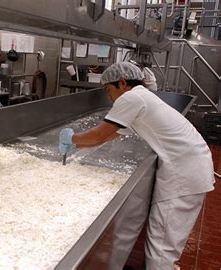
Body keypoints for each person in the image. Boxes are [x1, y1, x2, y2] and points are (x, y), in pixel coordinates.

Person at [58, 61, 215, 269]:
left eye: (108, 90)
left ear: (121, 83)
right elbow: (108, 136)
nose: (110, 97)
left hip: (184, 175)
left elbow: (100, 134)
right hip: (191, 166)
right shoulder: (143, 97)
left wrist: (72, 138)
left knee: (161, 252)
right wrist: (77, 146)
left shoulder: (132, 97)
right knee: (162, 244)